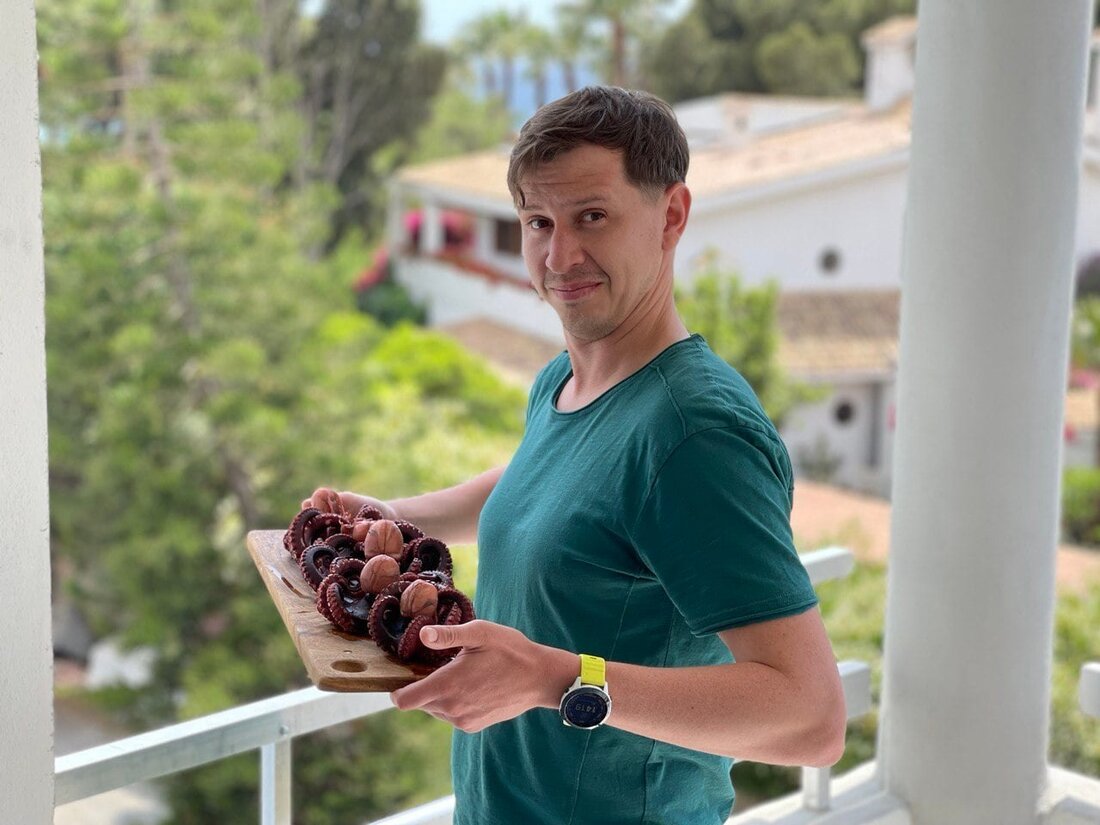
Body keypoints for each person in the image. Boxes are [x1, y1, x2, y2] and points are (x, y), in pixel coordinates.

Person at [304, 86, 846, 825]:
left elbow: (811, 718)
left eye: (592, 216)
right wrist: (396, 515)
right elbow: (562, 485)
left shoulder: (696, 434)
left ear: (672, 215)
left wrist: (553, 678)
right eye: (539, 222)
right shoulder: (566, 379)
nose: (560, 257)